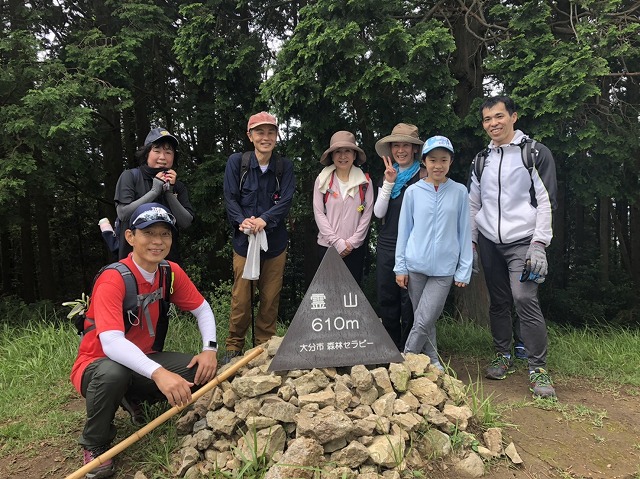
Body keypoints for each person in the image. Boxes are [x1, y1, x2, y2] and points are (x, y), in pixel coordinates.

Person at [70, 202, 218, 479]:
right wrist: (159, 374)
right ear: (130, 237)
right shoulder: (113, 278)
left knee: (202, 370)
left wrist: (209, 349)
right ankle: (95, 444)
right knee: (114, 373)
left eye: (165, 234)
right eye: (149, 233)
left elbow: (202, 308)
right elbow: (112, 343)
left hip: (143, 359)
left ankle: (134, 397)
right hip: (98, 365)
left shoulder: (169, 272)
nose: (158, 241)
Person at [469, 95, 558, 398]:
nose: (493, 123)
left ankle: (538, 368)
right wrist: (470, 242)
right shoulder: (481, 159)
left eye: (498, 116)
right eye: (487, 119)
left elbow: (546, 200)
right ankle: (502, 354)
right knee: (498, 301)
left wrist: (539, 243)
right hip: (489, 241)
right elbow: (473, 202)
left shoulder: (534, 153)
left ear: (513, 116)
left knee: (523, 298)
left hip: (523, 241)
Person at [222, 112, 295, 364]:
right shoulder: (237, 162)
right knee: (241, 297)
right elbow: (230, 197)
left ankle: (264, 348)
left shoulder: (284, 166)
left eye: (271, 132)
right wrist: (242, 220)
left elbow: (285, 200)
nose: (266, 138)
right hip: (244, 243)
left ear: (276, 136)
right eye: (260, 132)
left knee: (270, 296)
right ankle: (234, 347)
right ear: (250, 136)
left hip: (274, 243)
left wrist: (264, 219)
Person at [394, 136, 472, 371]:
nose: (438, 165)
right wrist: (400, 266)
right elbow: (404, 230)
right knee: (424, 318)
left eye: (444, 160)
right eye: (433, 160)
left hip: (445, 269)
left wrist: (464, 269)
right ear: (424, 162)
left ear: (450, 162)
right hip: (415, 265)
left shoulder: (459, 192)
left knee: (425, 318)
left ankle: (405, 360)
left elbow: (464, 232)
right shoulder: (413, 192)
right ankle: (434, 361)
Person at [373, 123, 426, 350]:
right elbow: (378, 212)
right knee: (387, 297)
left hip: (415, 245)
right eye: (396, 145)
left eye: (406, 145)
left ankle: (410, 351)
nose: (401, 150)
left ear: (415, 149)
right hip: (387, 244)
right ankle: (390, 349)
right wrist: (389, 182)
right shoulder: (388, 175)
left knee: (411, 301)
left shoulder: (424, 175)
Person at [114, 127, 194, 263]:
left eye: (168, 152)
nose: (162, 157)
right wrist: (155, 191)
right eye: (157, 151)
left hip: (168, 262)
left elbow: (186, 222)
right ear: (147, 154)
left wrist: (168, 191)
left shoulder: (178, 186)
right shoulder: (130, 176)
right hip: (133, 262)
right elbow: (123, 213)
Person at [313, 131, 374, 284]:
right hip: (327, 247)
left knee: (352, 298)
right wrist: (337, 243)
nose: (342, 156)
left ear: (354, 155)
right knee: (329, 296)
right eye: (338, 152)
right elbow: (319, 213)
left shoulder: (365, 182)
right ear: (332, 156)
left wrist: (351, 243)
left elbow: (367, 215)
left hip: (354, 249)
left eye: (347, 151)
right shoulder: (322, 180)